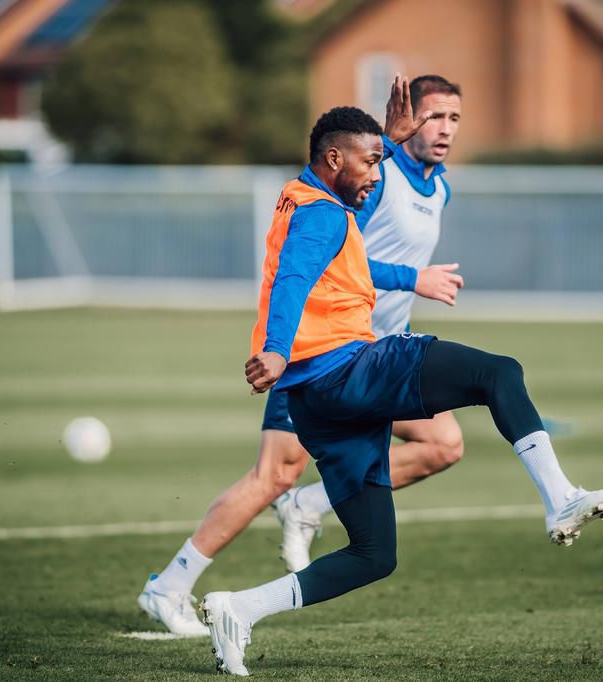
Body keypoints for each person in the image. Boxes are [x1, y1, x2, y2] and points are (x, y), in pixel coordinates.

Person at [199, 77, 603, 676]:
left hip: (316, 401)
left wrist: (391, 142)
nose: (378, 174)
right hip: (347, 369)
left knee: (374, 555)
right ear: (333, 159)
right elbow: (293, 278)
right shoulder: (322, 217)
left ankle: (238, 610)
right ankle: (560, 500)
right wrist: (274, 350)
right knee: (498, 373)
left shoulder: (302, 195)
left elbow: (332, 246)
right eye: (370, 162)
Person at [138, 75, 466, 638]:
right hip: (324, 354)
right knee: (273, 475)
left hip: (376, 354)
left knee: (443, 443)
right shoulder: (372, 183)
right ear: (408, 122)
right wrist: (415, 278)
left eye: (453, 118)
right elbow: (335, 251)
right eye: (433, 116)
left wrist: (385, 142)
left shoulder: (434, 187)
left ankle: (308, 506)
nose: (442, 129)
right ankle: (170, 585)